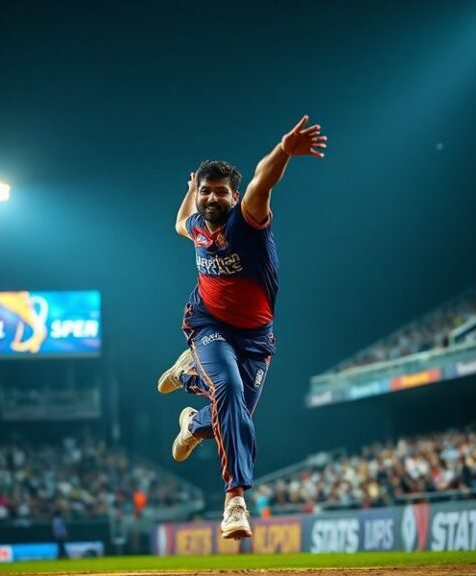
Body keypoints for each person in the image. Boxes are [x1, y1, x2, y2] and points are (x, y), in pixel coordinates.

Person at [158, 115, 327, 539]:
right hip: (207, 324)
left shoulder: (247, 221)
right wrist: (189, 191)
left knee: (233, 415)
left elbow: (261, 183)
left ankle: (190, 411)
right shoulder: (197, 226)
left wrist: (284, 151)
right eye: (206, 190)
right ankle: (235, 501)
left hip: (255, 337)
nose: (212, 197)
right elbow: (179, 223)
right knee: (229, 390)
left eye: (220, 191)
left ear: (233, 197)